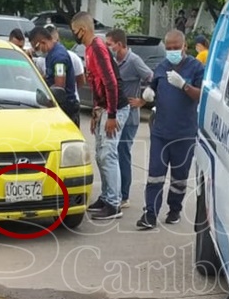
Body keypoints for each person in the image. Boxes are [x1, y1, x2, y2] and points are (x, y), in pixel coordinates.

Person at [136, 30, 205, 230]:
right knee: (155, 174)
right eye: (169, 48)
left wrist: (184, 86)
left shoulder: (196, 68)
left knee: (179, 177)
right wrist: (148, 93)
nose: (173, 51)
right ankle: (150, 214)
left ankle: (174, 209)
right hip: (160, 131)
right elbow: (153, 86)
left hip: (184, 133)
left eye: (176, 48)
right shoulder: (161, 66)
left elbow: (200, 95)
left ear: (185, 47)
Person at [71, 12, 129, 220]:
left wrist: (111, 114)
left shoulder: (97, 48)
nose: (73, 34)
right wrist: (96, 112)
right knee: (100, 155)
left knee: (108, 154)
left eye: (74, 30)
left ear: (82, 30)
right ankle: (106, 197)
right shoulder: (89, 49)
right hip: (104, 108)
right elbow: (95, 83)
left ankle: (114, 203)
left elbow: (110, 83)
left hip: (115, 108)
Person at [105, 29, 153, 209]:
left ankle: (124, 195)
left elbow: (152, 78)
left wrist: (142, 100)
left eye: (110, 44)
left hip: (130, 117)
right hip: (116, 114)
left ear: (119, 44)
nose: (108, 47)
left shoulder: (133, 61)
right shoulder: (113, 61)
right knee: (112, 153)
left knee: (122, 152)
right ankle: (113, 192)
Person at [28, 26, 80, 127]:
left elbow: (59, 88)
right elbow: (48, 78)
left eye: (36, 48)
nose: (37, 51)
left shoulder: (59, 58)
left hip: (66, 108)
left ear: (43, 42)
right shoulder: (51, 54)